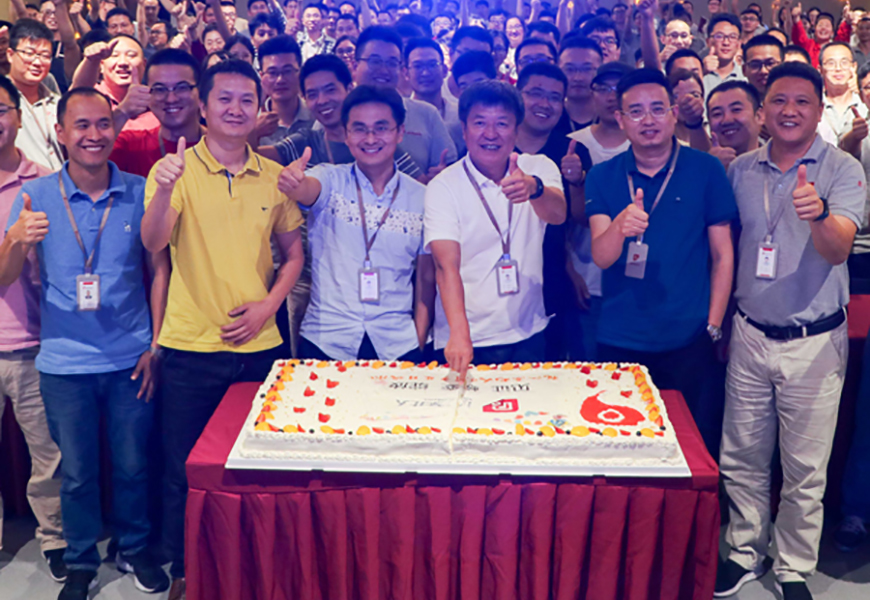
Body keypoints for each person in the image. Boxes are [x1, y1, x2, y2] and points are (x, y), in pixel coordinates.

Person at [140, 60, 304, 598]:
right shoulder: (174, 169)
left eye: (246, 100)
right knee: (182, 469)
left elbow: (294, 255)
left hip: (260, 347)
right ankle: (186, 569)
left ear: (260, 109)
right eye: (224, 99)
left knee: (255, 467)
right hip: (190, 346)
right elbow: (153, 243)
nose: (236, 109)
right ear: (204, 108)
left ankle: (252, 565)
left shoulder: (273, 174)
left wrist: (268, 307)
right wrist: (163, 190)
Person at [0, 87, 170, 599]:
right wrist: (16, 240)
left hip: (130, 357)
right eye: (81, 125)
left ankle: (133, 548)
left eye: (102, 124)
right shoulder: (35, 195)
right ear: (60, 133)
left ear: (114, 130)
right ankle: (80, 561)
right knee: (75, 473)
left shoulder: (139, 190)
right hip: (63, 362)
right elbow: (5, 277)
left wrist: (155, 345)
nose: (93, 135)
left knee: (133, 465)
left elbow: (159, 268)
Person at [716, 62, 865, 600]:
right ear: (763, 111)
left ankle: (794, 565)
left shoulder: (843, 169)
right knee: (742, 455)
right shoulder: (741, 170)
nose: (789, 111)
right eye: (778, 101)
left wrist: (819, 213)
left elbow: (839, 248)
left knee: (805, 465)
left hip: (814, 340)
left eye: (802, 102)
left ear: (820, 111)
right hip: (750, 332)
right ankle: (744, 551)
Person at [586, 68, 737, 457]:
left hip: (689, 337)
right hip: (620, 336)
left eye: (657, 109)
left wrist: (713, 325)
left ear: (674, 113)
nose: (648, 120)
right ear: (620, 119)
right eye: (635, 112)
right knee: (623, 447)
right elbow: (602, 256)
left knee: (692, 448)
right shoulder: (602, 176)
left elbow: (723, 255)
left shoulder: (706, 169)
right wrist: (619, 226)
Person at [277, 85, 433, 360]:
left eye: (381, 128)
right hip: (326, 340)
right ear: (347, 135)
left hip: (397, 344)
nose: (370, 138)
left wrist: (419, 340)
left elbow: (425, 278)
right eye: (359, 129)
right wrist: (294, 183)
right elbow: (307, 189)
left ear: (400, 132)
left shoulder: (422, 198)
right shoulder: (329, 179)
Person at [424, 80, 566, 380]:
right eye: (479, 123)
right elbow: (445, 265)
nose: (490, 134)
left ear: (516, 130)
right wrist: (459, 334)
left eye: (502, 123)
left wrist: (535, 188)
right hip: (466, 336)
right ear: (464, 130)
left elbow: (558, 215)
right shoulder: (443, 186)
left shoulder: (538, 167)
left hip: (529, 330)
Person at [0, 73, 67, 585]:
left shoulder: (44, 182)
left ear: (18, 116)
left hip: (31, 344)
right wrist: (15, 241)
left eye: (1, 110)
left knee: (48, 456)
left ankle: (55, 539)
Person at [515, 62, 593, 360]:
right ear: (518, 95)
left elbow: (580, 218)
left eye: (554, 97)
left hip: (552, 274)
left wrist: (576, 181)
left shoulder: (573, 151)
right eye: (535, 93)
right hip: (493, 275)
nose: (544, 104)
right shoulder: (492, 145)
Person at [568, 62, 633, 361]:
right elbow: (560, 222)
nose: (611, 96)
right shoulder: (574, 144)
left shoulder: (650, 142)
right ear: (591, 93)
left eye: (619, 88)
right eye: (603, 88)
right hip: (586, 279)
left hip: (635, 281)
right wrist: (568, 270)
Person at [352, 26, 456, 178]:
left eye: (392, 63)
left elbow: (450, 167)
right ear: (355, 66)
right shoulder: (338, 117)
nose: (384, 70)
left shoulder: (427, 114)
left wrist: (444, 177)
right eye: (375, 61)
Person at [110, 48, 204, 178]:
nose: (171, 99)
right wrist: (123, 112)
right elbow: (88, 161)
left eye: (182, 87)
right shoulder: (131, 146)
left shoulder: (221, 144)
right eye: (160, 89)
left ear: (200, 91)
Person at [6, 19, 64, 170]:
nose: (37, 62)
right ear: (10, 55)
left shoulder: (57, 102)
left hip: (59, 182)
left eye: (45, 55)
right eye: (29, 53)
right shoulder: (3, 101)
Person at [72, 34, 160, 132]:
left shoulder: (157, 100)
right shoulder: (91, 97)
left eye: (131, 55)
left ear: (144, 64)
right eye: (114, 55)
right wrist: (91, 61)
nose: (123, 62)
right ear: (101, 65)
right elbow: (76, 93)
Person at [405, 36, 463, 154]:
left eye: (432, 65)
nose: (425, 73)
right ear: (406, 73)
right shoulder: (400, 116)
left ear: (445, 70)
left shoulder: (460, 114)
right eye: (418, 66)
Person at [256, 35, 314, 147]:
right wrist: (253, 134)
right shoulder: (252, 122)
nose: (280, 80)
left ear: (300, 73)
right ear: (261, 77)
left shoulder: (315, 116)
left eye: (287, 71)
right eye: (272, 73)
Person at [818, 42, 868, 153]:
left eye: (844, 62)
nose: (838, 68)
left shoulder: (865, 104)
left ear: (854, 67)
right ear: (820, 69)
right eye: (831, 63)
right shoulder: (813, 107)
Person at [707, 80, 763, 171]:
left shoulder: (780, 161)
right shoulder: (700, 169)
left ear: (759, 116)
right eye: (717, 114)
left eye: (736, 110)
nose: (727, 120)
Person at [558, 35, 603, 133]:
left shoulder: (612, 117)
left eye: (587, 69)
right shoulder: (551, 116)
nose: (578, 78)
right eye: (570, 69)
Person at [703, 13, 747, 98]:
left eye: (732, 37)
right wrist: (701, 73)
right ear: (708, 42)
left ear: (739, 44)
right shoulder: (699, 74)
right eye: (719, 36)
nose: (726, 43)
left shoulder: (745, 76)